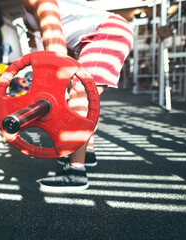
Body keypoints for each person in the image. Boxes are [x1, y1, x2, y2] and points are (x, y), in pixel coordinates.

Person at [23, 0, 134, 190]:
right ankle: (86, 153)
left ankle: (76, 171)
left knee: (79, 94)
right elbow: (62, 47)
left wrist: (56, 88)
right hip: (96, 37)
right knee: (84, 97)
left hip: (107, 33)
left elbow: (55, 42)